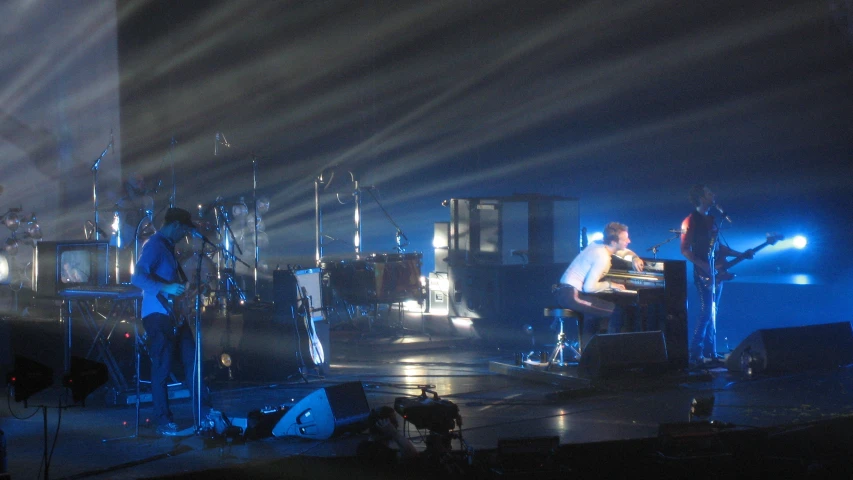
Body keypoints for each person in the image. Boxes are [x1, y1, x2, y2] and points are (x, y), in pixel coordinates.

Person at [131, 207, 203, 436]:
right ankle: (163, 421)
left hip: (173, 315)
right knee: (161, 369)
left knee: (193, 363)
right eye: (184, 231)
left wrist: (185, 292)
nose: (185, 236)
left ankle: (204, 412)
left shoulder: (168, 247)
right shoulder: (153, 245)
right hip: (157, 315)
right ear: (176, 226)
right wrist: (166, 287)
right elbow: (137, 276)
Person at [680, 184, 752, 366]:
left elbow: (720, 247)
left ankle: (710, 352)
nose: (714, 195)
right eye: (709, 193)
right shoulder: (691, 220)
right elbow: (685, 249)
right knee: (706, 312)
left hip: (716, 272)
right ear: (701, 197)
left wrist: (740, 254)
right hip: (703, 273)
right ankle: (695, 352)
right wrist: (704, 266)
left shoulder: (711, 220)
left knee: (712, 312)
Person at [554, 222, 644, 349]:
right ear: (613, 242)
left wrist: (634, 257)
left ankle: (588, 353)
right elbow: (589, 288)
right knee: (616, 312)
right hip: (571, 295)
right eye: (625, 239)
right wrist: (610, 284)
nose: (629, 241)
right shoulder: (603, 258)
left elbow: (622, 251)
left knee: (593, 314)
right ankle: (612, 352)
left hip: (565, 292)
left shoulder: (598, 243)